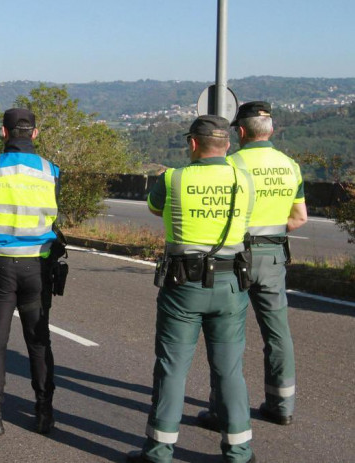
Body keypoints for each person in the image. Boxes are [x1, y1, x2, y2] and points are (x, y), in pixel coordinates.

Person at [128, 115, 256, 463]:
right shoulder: (243, 179)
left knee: (172, 367)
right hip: (231, 285)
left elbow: (156, 208)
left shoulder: (172, 178)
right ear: (227, 144)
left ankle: (158, 452)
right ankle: (239, 452)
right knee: (229, 370)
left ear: (193, 144)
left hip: (183, 285)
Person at [197, 102, 307, 431]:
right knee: (277, 332)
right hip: (274, 257)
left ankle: (222, 410)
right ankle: (281, 404)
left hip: (234, 258)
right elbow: (299, 218)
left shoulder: (231, 165)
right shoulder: (290, 166)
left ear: (241, 132)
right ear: (270, 130)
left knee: (227, 336)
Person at [0, 108, 63, 437]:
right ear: (35, 133)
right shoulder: (51, 170)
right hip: (38, 264)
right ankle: (44, 413)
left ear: (4, 132)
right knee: (39, 343)